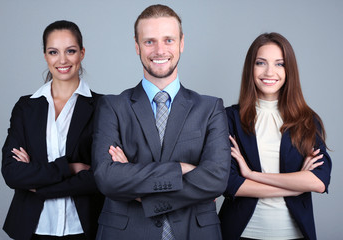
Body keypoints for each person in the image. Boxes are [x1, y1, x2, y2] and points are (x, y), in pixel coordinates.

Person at [92, 4, 231, 240]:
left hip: (195, 233)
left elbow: (217, 179)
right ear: (137, 46)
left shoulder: (210, 108)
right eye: (149, 41)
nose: (159, 50)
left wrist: (133, 178)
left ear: (181, 43)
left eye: (168, 40)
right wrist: (182, 169)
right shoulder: (112, 106)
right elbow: (107, 178)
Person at [218, 32, 332, 240]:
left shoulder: (306, 120)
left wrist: (253, 175)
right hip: (241, 233)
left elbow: (318, 181)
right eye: (261, 63)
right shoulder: (228, 118)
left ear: (289, 71)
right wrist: (295, 188)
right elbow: (229, 184)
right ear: (250, 68)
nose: (270, 72)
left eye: (279, 64)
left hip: (295, 234)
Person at [1, 20, 104, 240]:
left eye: (71, 51)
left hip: (85, 228)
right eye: (53, 52)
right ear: (45, 55)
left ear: (82, 53)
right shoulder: (26, 107)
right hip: (31, 229)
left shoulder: (103, 107)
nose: (63, 60)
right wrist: (69, 167)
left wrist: (40, 185)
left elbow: (101, 176)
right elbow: (12, 173)